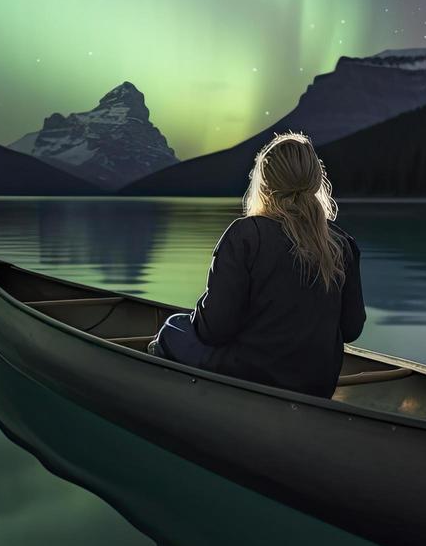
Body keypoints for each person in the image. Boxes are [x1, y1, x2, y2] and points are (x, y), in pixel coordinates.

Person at [148, 131, 365, 398]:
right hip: (317, 384)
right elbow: (352, 329)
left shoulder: (246, 235)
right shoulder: (342, 243)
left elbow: (214, 330)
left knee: (172, 328)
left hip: (250, 375)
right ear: (315, 180)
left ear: (264, 183)